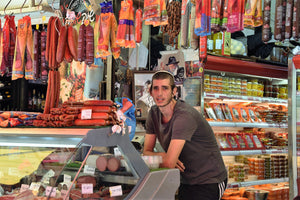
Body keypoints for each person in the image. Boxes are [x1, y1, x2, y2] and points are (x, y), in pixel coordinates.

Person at [143, 70, 227, 200]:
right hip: (186, 181)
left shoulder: (183, 116)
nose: (159, 93)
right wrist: (163, 156)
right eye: (156, 88)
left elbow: (168, 163)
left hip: (209, 180)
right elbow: (146, 152)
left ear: (174, 91)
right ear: (150, 92)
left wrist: (164, 159)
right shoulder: (153, 113)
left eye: (165, 88)